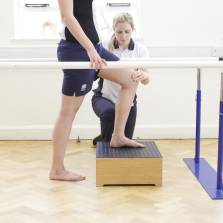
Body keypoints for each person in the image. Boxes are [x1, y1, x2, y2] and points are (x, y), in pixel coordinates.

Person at [50, 0, 145, 182]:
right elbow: (67, 17)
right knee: (68, 112)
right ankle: (56, 169)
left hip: (95, 47)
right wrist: (90, 49)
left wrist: (94, 47)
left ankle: (118, 136)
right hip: (76, 50)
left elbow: (84, 14)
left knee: (130, 79)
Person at [92, 13, 150, 145]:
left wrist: (143, 75)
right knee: (110, 113)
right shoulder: (105, 47)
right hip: (104, 98)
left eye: (127, 31)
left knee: (124, 140)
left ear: (133, 30)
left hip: (128, 102)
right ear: (114, 31)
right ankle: (106, 138)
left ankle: (104, 135)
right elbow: (95, 70)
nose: (123, 36)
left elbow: (146, 81)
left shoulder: (140, 50)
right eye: (119, 32)